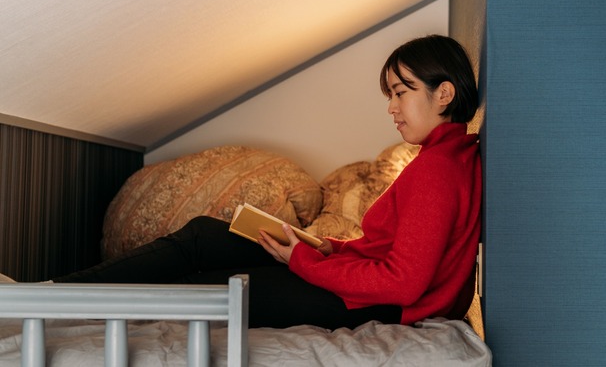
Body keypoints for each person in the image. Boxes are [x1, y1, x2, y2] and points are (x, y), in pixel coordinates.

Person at [38, 34, 482, 330]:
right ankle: (56, 293)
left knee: (211, 283)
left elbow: (402, 283)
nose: (392, 108)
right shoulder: (447, 157)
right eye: (390, 96)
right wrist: (329, 248)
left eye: (400, 93)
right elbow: (394, 251)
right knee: (206, 235)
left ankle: (54, 302)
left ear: (443, 94)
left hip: (372, 306)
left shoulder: (436, 169)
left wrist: (303, 262)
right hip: (362, 291)